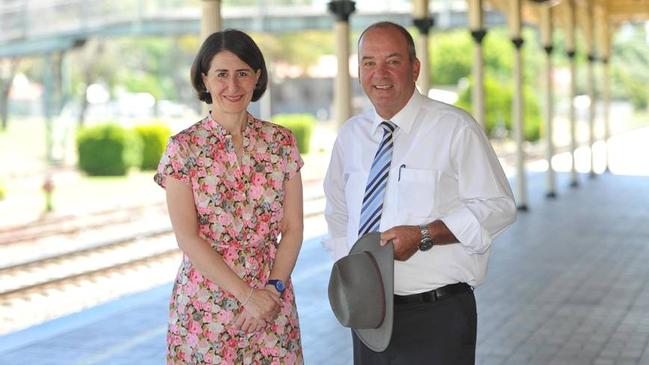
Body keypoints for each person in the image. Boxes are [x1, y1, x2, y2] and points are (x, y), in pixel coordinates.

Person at [323, 21, 517, 364]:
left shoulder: (455, 128)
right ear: (359, 70)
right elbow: (338, 212)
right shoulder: (350, 136)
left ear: (414, 67)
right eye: (369, 62)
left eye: (392, 61)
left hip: (437, 315)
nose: (379, 73)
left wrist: (425, 234)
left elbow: (499, 206)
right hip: (370, 317)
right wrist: (351, 277)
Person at [154, 29, 304, 364]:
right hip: (205, 304)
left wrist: (272, 291)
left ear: (257, 77)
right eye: (222, 75)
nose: (233, 86)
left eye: (242, 74)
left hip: (272, 301)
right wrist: (247, 296)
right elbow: (187, 238)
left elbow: (293, 228)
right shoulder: (183, 148)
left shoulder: (281, 142)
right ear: (205, 80)